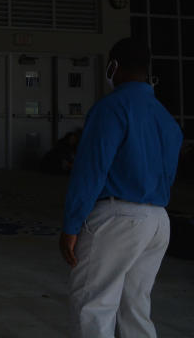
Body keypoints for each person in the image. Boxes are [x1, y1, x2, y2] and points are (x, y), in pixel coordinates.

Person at [59, 37, 183, 338]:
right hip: (157, 222)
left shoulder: (111, 108)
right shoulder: (166, 118)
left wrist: (72, 225)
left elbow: (91, 170)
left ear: (114, 66)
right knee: (136, 308)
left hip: (117, 219)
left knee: (94, 306)